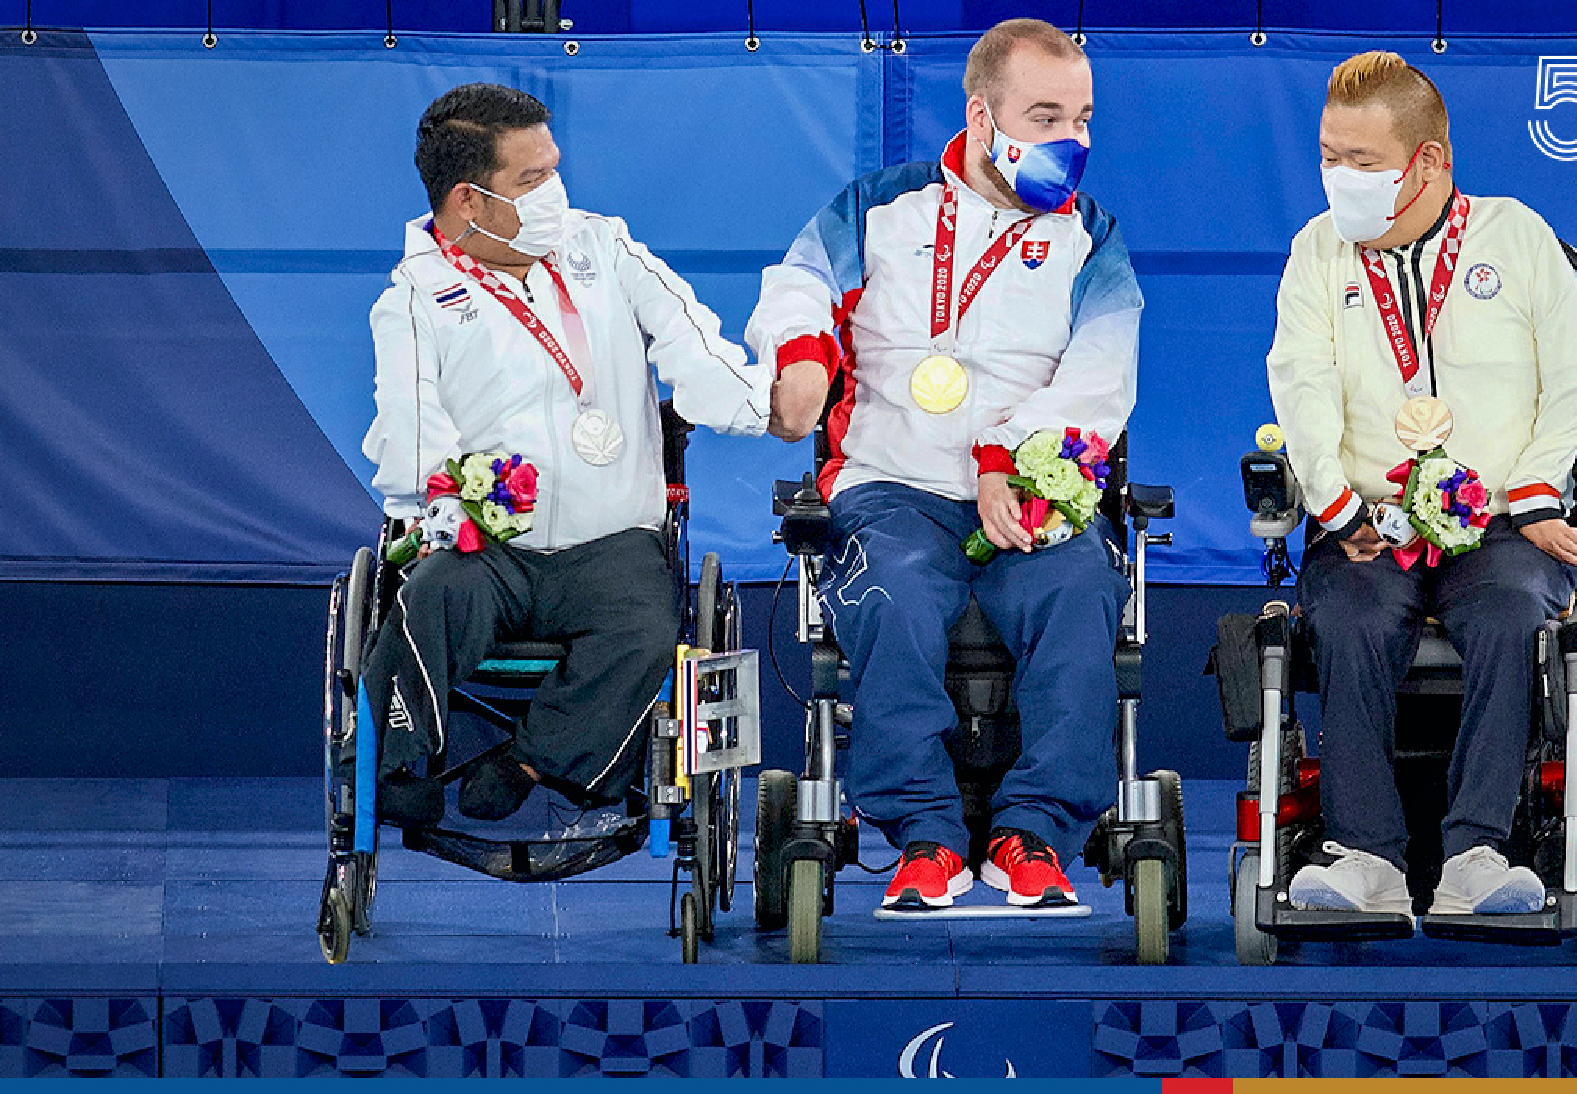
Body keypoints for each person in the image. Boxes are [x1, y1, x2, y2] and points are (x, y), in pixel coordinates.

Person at [748, 18, 1141, 910]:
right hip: (893, 486)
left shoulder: (1092, 241)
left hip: (1031, 492)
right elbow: (798, 280)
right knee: (893, 591)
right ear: (982, 112)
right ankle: (925, 836)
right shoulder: (878, 208)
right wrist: (804, 354)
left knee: (1082, 594)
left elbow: (1101, 374)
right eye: (1046, 117)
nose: (1070, 142)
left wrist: (1014, 458)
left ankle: (1032, 834)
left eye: (1081, 119)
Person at [361, 83, 770, 826]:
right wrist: (443, 503)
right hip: (492, 548)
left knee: (650, 626)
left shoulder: (605, 247)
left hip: (609, 541)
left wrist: (762, 407)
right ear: (469, 202)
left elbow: (692, 342)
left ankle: (529, 760)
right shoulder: (417, 296)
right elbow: (412, 417)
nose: (556, 192)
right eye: (532, 180)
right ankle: (398, 767)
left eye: (554, 169)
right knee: (428, 599)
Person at [1266, 51, 1577, 919]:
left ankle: (1479, 854)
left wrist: (1534, 492)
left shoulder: (1518, 237)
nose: (1338, 179)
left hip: (1498, 523)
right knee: (1348, 615)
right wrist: (1335, 503)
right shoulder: (1317, 251)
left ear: (1430, 162)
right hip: (1367, 523)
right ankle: (1365, 857)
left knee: (1507, 616)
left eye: (1361, 162)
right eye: (1328, 156)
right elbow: (1297, 384)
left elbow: (1575, 382)